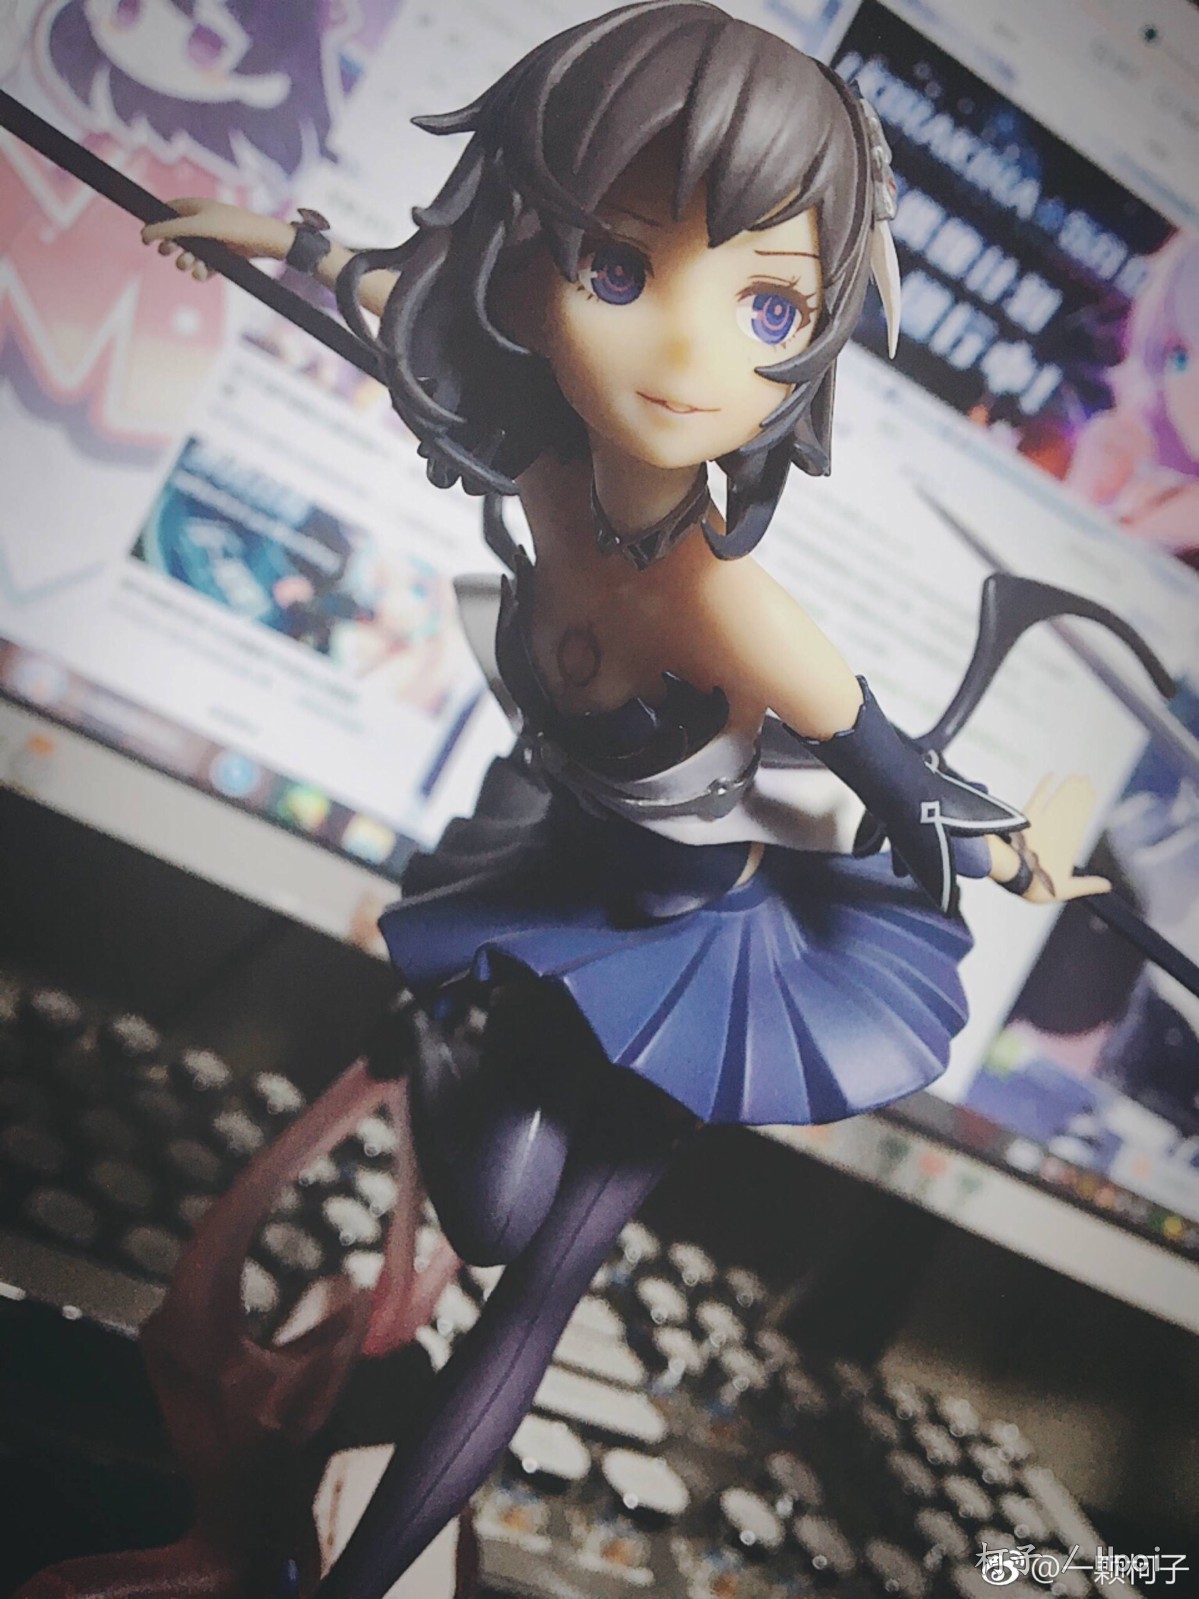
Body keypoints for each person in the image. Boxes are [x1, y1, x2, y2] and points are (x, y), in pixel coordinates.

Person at [141, 5, 1109, 1592]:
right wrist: (258, 234)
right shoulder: (541, 469)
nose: (684, 354)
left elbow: (904, 781)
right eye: (616, 266)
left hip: (710, 955)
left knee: (540, 1279)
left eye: (769, 305)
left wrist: (1021, 854)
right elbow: (389, 289)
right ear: (533, 266)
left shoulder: (732, 608)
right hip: (565, 872)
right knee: (483, 1178)